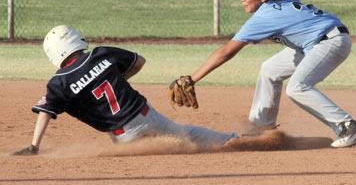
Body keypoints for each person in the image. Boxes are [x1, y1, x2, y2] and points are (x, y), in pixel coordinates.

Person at [186, 0, 356, 148]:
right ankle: (261, 130)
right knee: (270, 69)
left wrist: (191, 79)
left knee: (297, 87)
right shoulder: (278, 4)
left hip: (330, 41)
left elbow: (226, 52)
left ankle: (349, 126)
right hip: (317, 41)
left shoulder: (266, 16)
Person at [14, 25, 236, 155]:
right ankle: (232, 140)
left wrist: (34, 146)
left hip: (123, 136)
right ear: (76, 39)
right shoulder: (100, 54)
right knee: (186, 134)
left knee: (148, 160)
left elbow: (45, 111)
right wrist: (116, 78)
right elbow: (139, 61)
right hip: (146, 115)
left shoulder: (58, 83)